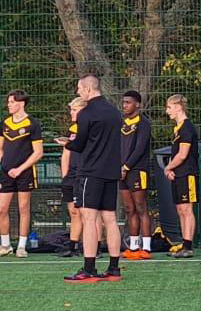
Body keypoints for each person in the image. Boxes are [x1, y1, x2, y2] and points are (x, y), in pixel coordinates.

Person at [60, 75, 125, 283]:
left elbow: (79, 144)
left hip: (91, 172)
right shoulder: (115, 112)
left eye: (79, 88)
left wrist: (66, 143)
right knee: (110, 219)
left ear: (88, 89)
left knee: (89, 218)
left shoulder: (87, 113)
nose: (78, 92)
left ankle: (89, 269)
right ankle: (114, 269)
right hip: (111, 172)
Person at [0, 90, 46, 258]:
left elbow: (38, 152)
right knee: (1, 209)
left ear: (21, 103)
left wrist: (20, 169)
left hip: (25, 172)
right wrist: (6, 165)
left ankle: (22, 246)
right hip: (6, 173)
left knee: (23, 208)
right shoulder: (4, 123)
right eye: (8, 102)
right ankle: (5, 245)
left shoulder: (33, 124)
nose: (8, 105)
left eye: (11, 102)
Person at [119, 91, 160, 261]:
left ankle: (147, 247)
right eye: (124, 102)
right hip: (120, 171)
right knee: (129, 209)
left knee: (141, 207)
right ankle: (134, 246)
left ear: (137, 104)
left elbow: (140, 147)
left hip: (137, 170)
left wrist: (127, 166)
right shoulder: (120, 123)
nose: (125, 105)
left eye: (128, 102)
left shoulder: (143, 123)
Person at [163, 94, 201, 258]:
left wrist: (167, 167)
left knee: (187, 209)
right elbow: (176, 154)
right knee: (180, 209)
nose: (167, 111)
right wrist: (171, 168)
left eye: (169, 107)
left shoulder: (186, 128)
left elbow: (183, 154)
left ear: (178, 106)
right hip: (178, 173)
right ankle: (184, 244)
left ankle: (188, 246)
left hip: (187, 173)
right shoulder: (178, 128)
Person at [58, 97, 88, 258]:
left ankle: (90, 246)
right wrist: (65, 175)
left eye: (75, 109)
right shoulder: (72, 128)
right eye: (71, 109)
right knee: (73, 212)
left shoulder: (88, 128)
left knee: (85, 212)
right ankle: (72, 245)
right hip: (71, 176)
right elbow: (66, 153)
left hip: (83, 174)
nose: (71, 113)